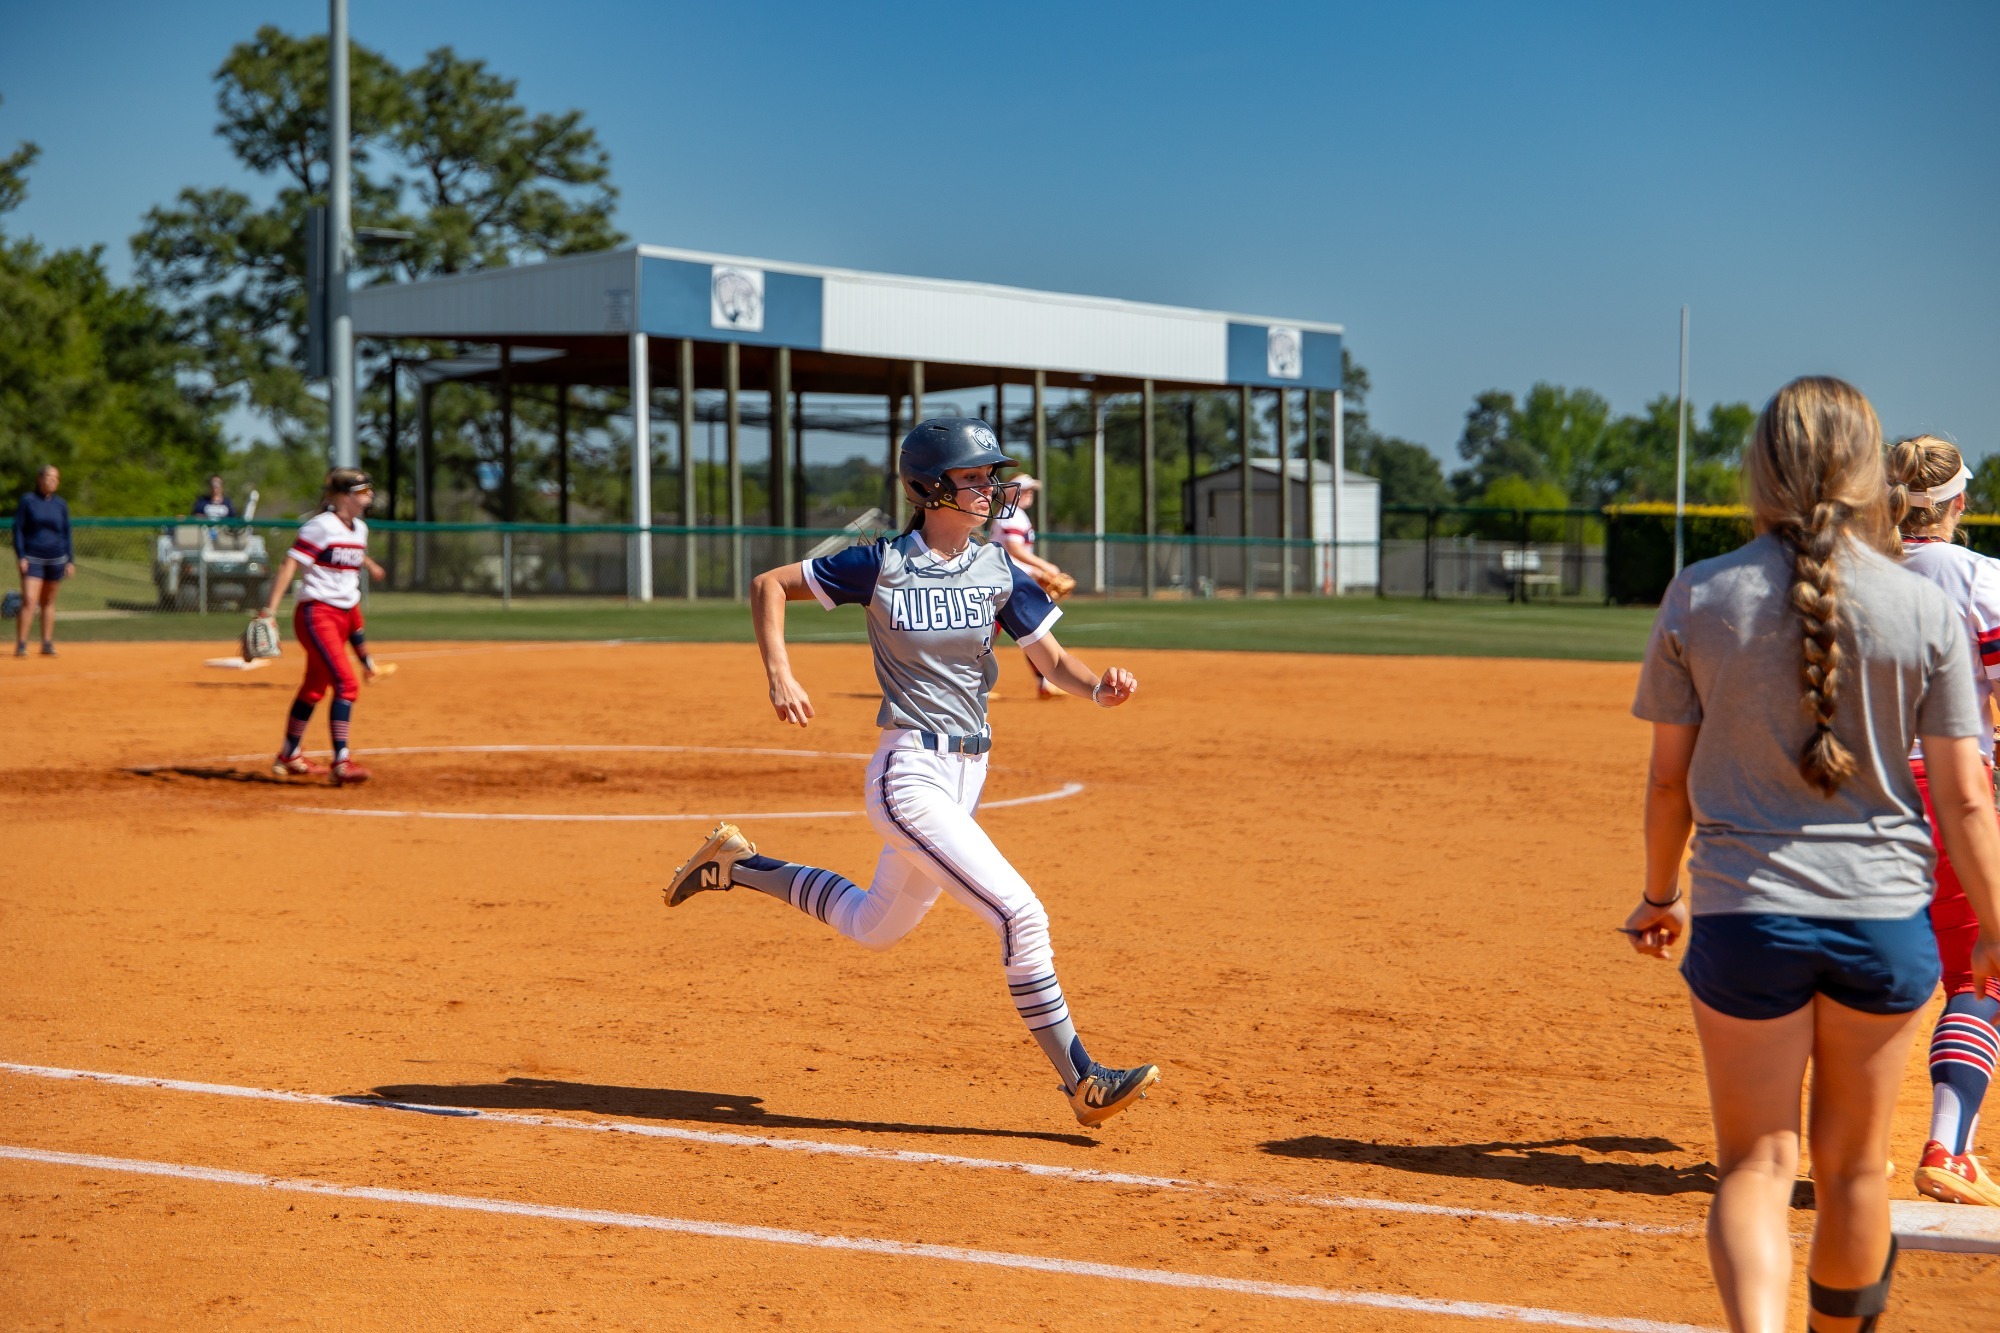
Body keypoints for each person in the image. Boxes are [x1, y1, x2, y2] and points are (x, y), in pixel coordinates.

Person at [1623, 377, 2000, 1333]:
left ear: (1761, 470)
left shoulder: (1701, 591)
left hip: (1748, 915)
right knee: (1856, 1170)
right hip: (1884, 920)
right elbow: (1963, 796)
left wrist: (1659, 894)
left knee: (1755, 1161)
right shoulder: (1924, 608)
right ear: (1872, 474)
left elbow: (1668, 784)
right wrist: (1995, 926)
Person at [661, 418, 1160, 1128]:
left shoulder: (997, 567)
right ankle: (1083, 1078)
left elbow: (1050, 659)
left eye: (991, 475)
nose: (990, 486)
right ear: (929, 487)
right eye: (973, 476)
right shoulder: (880, 561)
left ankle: (736, 865)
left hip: (968, 774)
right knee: (1020, 913)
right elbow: (769, 584)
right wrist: (780, 673)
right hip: (909, 775)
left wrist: (1097, 688)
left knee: (874, 925)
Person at [1882, 435, 2000, 1207]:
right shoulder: (1978, 575)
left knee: (1864, 967)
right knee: (1977, 968)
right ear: (1960, 502)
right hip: (1953, 785)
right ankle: (1948, 1147)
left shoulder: (1846, 570)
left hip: (1856, 796)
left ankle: (1848, 1142)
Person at [255, 468, 384, 785]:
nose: (369, 496)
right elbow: (290, 563)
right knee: (347, 684)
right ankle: (342, 761)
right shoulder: (320, 526)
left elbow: (349, 589)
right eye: (364, 491)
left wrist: (364, 654)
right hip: (317, 614)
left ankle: (288, 754)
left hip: (342, 615)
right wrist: (268, 611)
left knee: (314, 688)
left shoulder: (360, 530)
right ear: (345, 496)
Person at [989, 473, 1069, 699]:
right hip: (1006, 583)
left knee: (1029, 631)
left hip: (1009, 581)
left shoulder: (1014, 514)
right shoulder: (1011, 513)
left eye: (1031, 489)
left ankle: (1044, 683)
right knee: (1028, 632)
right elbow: (1014, 550)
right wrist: (1045, 567)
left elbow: (1012, 554)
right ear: (1012, 491)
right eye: (1025, 489)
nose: (1030, 493)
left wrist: (1036, 573)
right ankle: (971, 687)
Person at [13, 464, 73, 658]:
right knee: (29, 600)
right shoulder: (28, 501)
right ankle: (22, 644)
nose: (53, 481)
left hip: (56, 557)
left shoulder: (60, 504)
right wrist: (21, 555)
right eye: (49, 477)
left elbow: (66, 533)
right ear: (40, 479)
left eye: (56, 478)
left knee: (48, 601)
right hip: (32, 557)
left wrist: (69, 560)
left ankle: (46, 643)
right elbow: (18, 529)